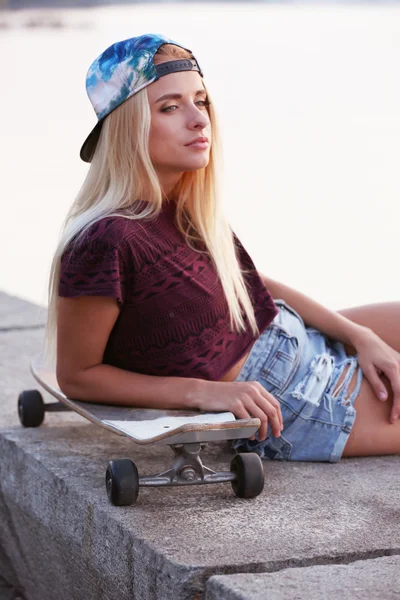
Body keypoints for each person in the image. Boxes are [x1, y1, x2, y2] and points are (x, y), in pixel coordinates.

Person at [45, 33, 400, 463]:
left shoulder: (181, 204)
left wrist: (360, 337)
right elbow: (78, 376)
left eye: (201, 100)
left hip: (288, 337)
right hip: (286, 401)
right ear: (128, 125)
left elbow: (248, 283)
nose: (199, 120)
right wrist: (203, 393)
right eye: (170, 107)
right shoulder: (105, 242)